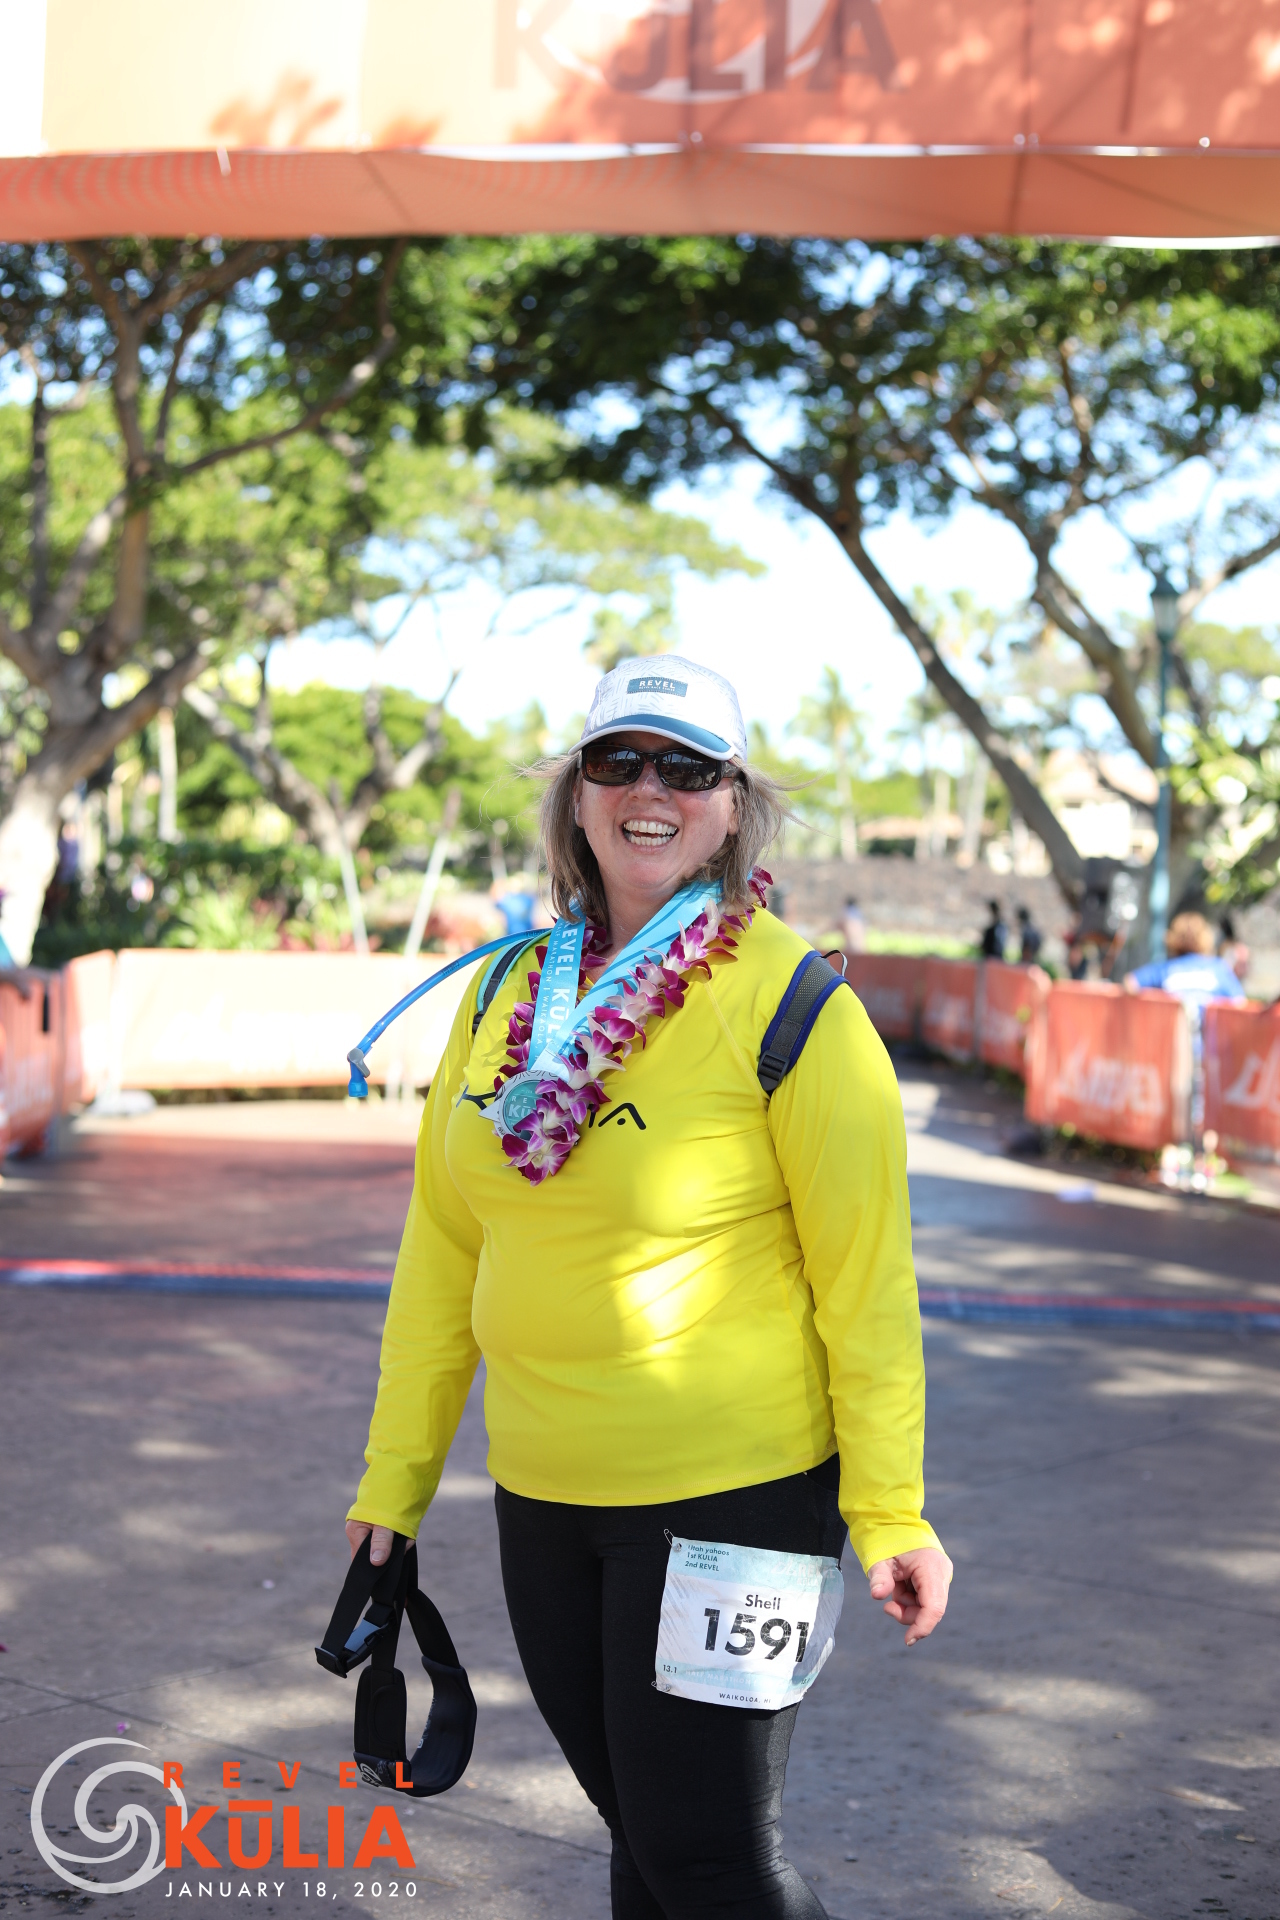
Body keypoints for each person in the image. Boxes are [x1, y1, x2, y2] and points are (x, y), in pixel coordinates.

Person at [345, 656, 951, 1920]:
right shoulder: (499, 993)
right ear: (575, 794)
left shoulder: (796, 1002)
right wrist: (393, 1485)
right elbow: (442, 1255)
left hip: (737, 1497)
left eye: (687, 767)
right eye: (616, 760)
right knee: (640, 1835)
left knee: (707, 1859)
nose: (648, 789)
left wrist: (889, 1509)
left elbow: (865, 1286)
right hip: (541, 1496)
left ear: (733, 807)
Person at [1124, 911, 1248, 1017]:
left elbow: (1131, 982)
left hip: (1171, 1034)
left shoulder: (1166, 968)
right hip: (1209, 1036)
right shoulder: (1219, 969)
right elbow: (1240, 1003)